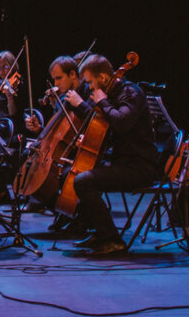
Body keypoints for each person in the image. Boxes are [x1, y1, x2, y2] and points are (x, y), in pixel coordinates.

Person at [64, 54, 160, 255]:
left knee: (83, 181)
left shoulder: (131, 93)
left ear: (104, 78)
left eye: (90, 82)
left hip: (139, 167)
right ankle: (98, 231)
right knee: (72, 172)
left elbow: (122, 123)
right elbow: (108, 128)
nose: (89, 87)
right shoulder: (111, 95)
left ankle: (112, 239)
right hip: (121, 162)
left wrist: (104, 102)